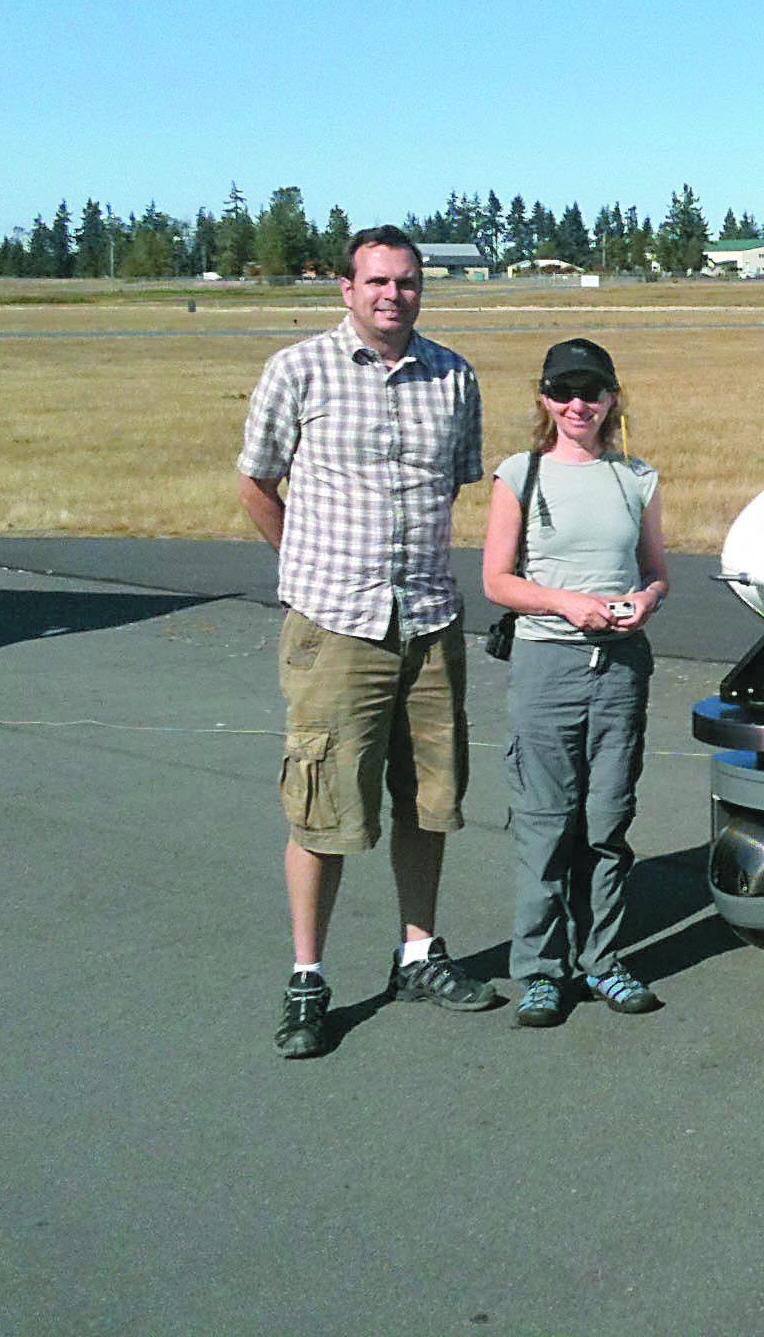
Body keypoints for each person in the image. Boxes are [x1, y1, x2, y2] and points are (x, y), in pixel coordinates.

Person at [238, 224, 501, 1059]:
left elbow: (455, 485)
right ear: (347, 290)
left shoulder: (454, 377)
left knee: (429, 801)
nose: (394, 295)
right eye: (379, 281)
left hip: (427, 621)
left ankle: (418, 953)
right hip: (335, 625)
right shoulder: (297, 370)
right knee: (323, 806)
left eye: (409, 282)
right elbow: (255, 479)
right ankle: (308, 977)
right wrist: (304, 568)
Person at [481, 337, 670, 1028]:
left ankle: (603, 961)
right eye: (563, 392)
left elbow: (656, 572)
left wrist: (643, 601)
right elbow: (497, 581)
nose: (577, 405)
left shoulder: (637, 478)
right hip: (547, 666)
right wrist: (567, 603)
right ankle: (539, 970)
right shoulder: (519, 476)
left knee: (608, 820)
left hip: (620, 669)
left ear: (613, 398)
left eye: (591, 391)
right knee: (545, 824)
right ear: (544, 399)